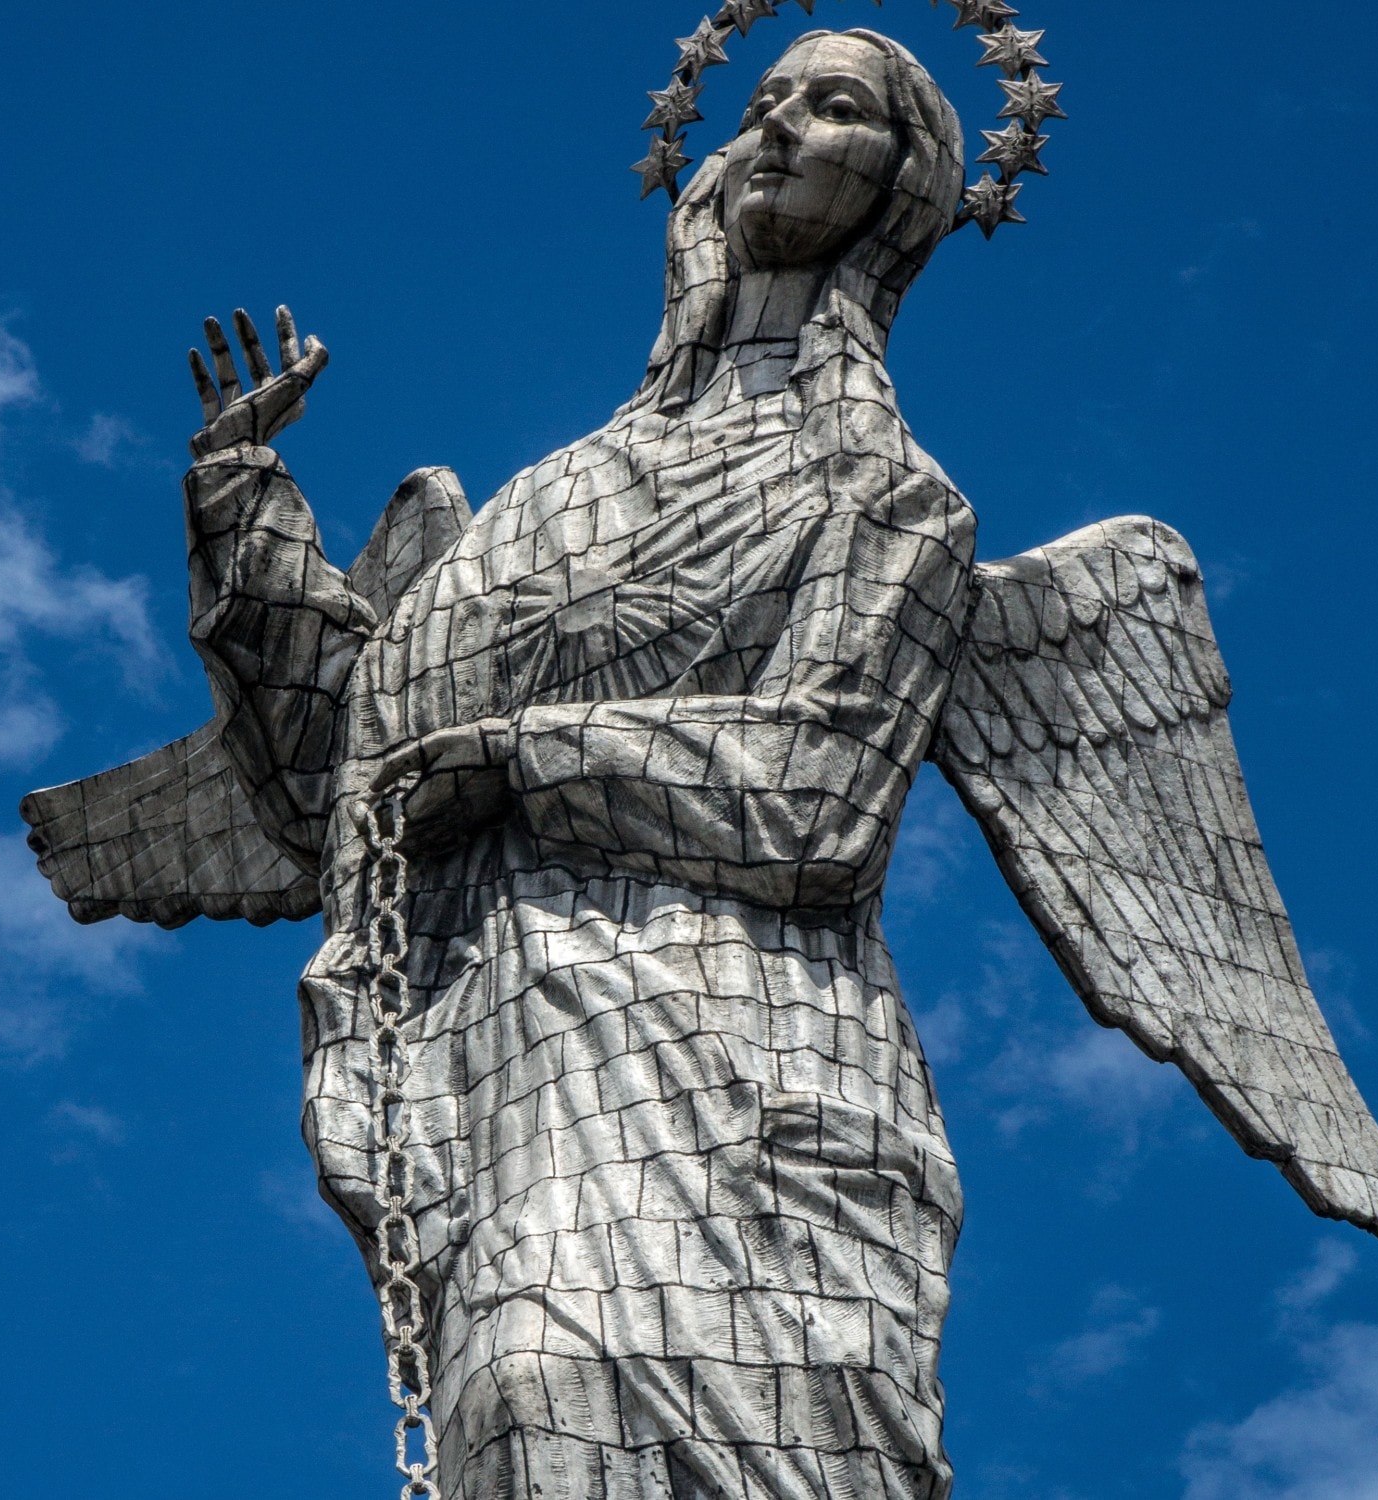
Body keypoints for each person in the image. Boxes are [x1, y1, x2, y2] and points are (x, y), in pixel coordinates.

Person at [183, 30, 975, 1498]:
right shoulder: (563, 488)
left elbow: (826, 792)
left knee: (627, 1397)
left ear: (903, 184)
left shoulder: (889, 493)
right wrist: (249, 521)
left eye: (837, 107)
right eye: (765, 103)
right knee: (515, 1406)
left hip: (736, 1034)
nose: (781, 128)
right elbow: (361, 780)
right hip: (519, 1018)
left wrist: (528, 756)